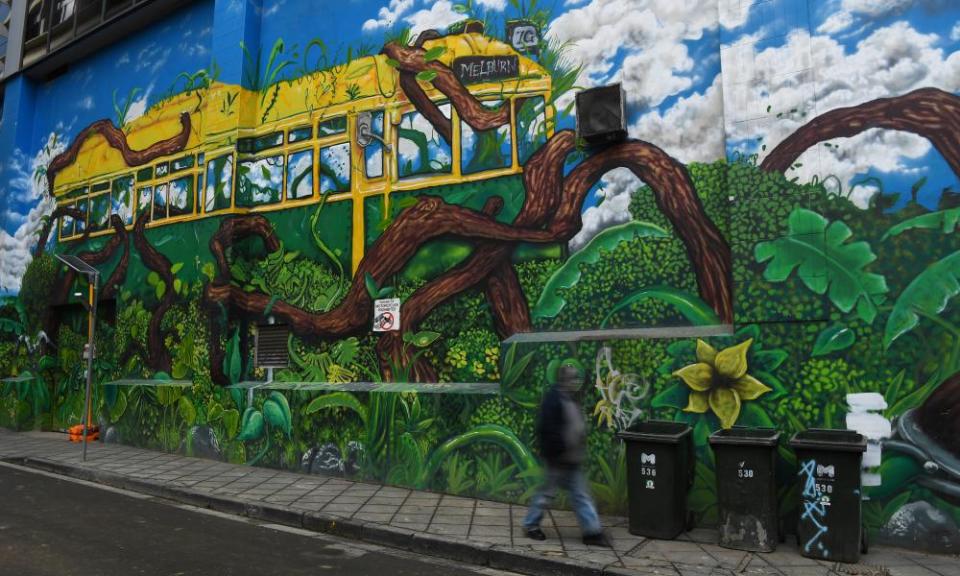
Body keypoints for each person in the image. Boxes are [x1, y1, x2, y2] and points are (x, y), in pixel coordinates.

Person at [524, 364, 609, 546]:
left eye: (576, 378)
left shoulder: (570, 397)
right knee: (547, 494)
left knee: (580, 495)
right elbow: (546, 429)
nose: (575, 381)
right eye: (572, 378)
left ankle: (592, 532)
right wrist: (559, 451)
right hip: (558, 459)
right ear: (563, 379)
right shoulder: (553, 400)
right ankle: (531, 525)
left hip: (571, 458)